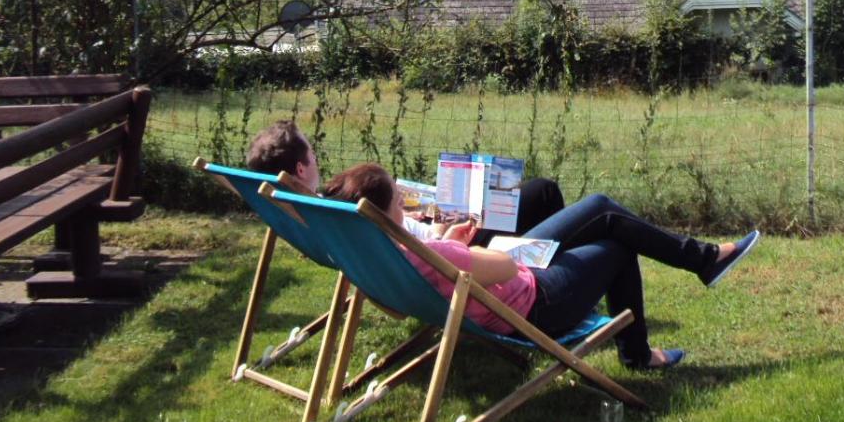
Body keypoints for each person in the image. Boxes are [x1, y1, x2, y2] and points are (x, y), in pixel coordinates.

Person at [325, 162, 759, 370]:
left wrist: (445, 243)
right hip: (533, 304)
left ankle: (702, 262)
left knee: (600, 210)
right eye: (398, 197)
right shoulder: (433, 255)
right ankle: (640, 351)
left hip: (495, 298)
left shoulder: (372, 254)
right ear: (385, 211)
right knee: (615, 241)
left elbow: (400, 306)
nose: (404, 201)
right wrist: (454, 246)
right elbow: (505, 267)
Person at [245, 120, 566, 242]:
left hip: (422, 233)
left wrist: (401, 211)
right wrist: (439, 229)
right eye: (311, 152)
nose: (315, 156)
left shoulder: (314, 212)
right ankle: (543, 282)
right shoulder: (332, 212)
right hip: (449, 246)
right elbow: (428, 249)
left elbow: (388, 233)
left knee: (505, 191)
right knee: (543, 191)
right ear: (301, 169)